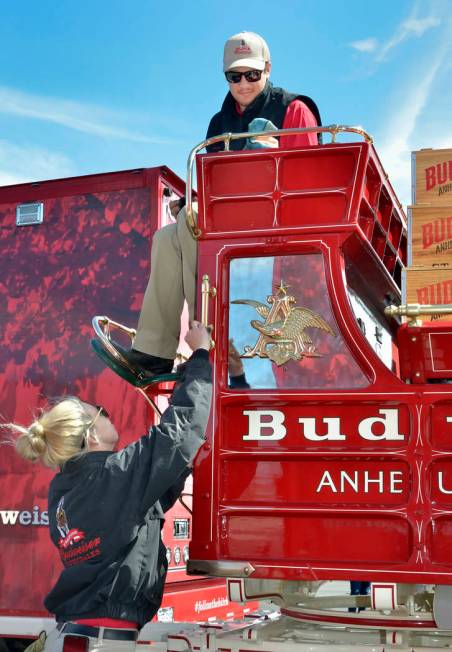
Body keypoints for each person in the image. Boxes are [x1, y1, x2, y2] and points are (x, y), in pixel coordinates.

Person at [112, 31, 321, 379]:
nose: (243, 84)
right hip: (231, 217)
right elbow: (214, 184)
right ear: (225, 76)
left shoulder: (293, 109)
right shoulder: (218, 122)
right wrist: (189, 202)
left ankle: (207, 343)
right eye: (234, 76)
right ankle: (154, 351)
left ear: (267, 69)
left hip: (277, 218)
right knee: (166, 237)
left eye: (252, 75)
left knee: (191, 223)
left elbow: (307, 182)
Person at [8, 321, 212, 651]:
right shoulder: (110, 477)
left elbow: (144, 504)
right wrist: (200, 355)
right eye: (100, 412)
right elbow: (179, 432)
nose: (108, 414)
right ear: (90, 436)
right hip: (101, 641)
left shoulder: (64, 490)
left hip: (85, 633)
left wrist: (181, 463)